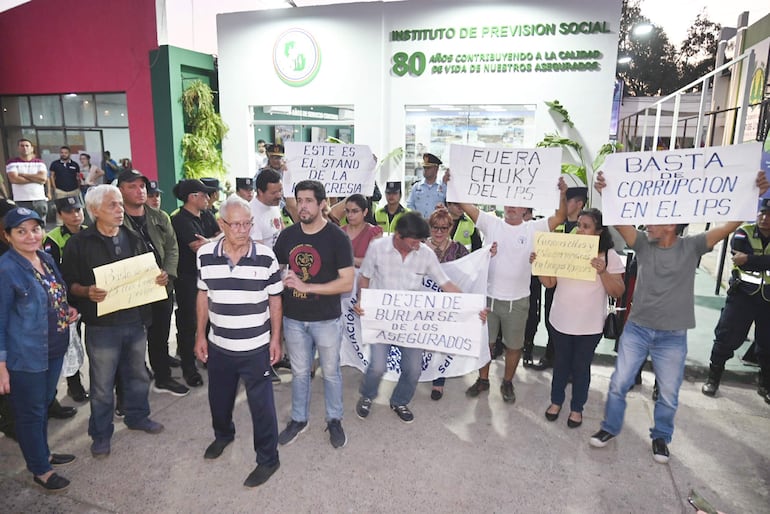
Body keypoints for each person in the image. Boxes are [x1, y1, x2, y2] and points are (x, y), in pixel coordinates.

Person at [588, 170, 769, 464]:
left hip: (672, 335)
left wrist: (754, 195)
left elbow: (728, 226)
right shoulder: (643, 244)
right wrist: (605, 190)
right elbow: (619, 220)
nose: (647, 223)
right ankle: (609, 428)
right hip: (637, 329)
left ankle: (660, 438)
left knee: (669, 393)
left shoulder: (692, 246)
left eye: (655, 220)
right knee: (619, 383)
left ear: (671, 225)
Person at [62, 184, 167, 458]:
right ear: (95, 210)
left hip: (135, 321)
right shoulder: (79, 244)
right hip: (102, 326)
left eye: (120, 204)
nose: (120, 210)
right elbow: (68, 283)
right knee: (101, 385)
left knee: (137, 375)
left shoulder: (133, 238)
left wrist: (159, 277)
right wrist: (85, 291)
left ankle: (138, 416)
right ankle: (100, 434)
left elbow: (150, 268)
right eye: (113, 205)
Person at [194, 195, 283, 487]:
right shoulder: (205, 255)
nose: (243, 230)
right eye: (236, 224)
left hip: (255, 346)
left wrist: (275, 339)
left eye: (248, 223)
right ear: (222, 224)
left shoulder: (266, 256)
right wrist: (200, 336)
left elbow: (275, 300)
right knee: (219, 400)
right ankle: (224, 435)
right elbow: (202, 295)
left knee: (262, 407)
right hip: (219, 344)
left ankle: (268, 459)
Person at [460, 176, 567, 403]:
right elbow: (466, 206)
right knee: (486, 343)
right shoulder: (491, 223)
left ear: (525, 208)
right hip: (489, 298)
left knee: (514, 346)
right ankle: (483, 379)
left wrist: (562, 193)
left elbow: (560, 217)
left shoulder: (533, 228)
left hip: (517, 301)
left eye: (517, 203)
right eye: (508, 202)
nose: (511, 207)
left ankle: (507, 382)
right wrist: (455, 180)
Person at [354, 211, 464, 423]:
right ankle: (367, 396)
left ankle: (400, 400)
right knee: (377, 366)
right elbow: (365, 277)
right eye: (414, 241)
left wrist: (471, 305)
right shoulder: (377, 248)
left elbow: (446, 283)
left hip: (411, 323)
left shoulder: (425, 254)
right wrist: (361, 300)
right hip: (381, 318)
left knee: (413, 369)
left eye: (421, 241)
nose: (418, 246)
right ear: (398, 236)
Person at [0, 207, 79, 491]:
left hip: (54, 347)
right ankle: (40, 469)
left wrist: (66, 308)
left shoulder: (44, 257)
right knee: (30, 412)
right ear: (7, 236)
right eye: (21, 231)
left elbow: (54, 292)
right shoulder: (6, 269)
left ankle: (42, 453)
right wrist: (2, 367)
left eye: (35, 229)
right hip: (26, 355)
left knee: (43, 404)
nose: (30, 236)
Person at [273, 180, 355, 448]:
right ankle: (298, 419)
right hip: (293, 318)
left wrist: (308, 286)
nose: (302, 206)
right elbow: (274, 269)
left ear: (322, 204)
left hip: (327, 320)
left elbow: (347, 283)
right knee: (299, 372)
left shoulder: (337, 237)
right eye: (299, 200)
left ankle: (334, 419)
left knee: (330, 373)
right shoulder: (287, 236)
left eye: (309, 200)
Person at [535, 208, 625, 428]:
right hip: (560, 320)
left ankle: (577, 408)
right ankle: (556, 402)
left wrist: (603, 271)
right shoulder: (565, 247)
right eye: (579, 225)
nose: (580, 230)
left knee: (581, 367)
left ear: (599, 231)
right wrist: (539, 265)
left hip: (590, 325)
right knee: (561, 363)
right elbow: (550, 283)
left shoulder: (609, 256)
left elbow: (618, 292)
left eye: (586, 226)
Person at [118, 170, 188, 397]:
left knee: (160, 335)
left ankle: (163, 377)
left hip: (160, 287)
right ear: (120, 190)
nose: (140, 191)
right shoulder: (115, 220)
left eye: (142, 186)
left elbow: (172, 248)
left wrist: (168, 273)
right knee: (131, 341)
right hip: (131, 292)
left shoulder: (160, 217)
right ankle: (129, 389)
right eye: (132, 186)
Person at [702, 198, 770, 403]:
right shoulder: (744, 232)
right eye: (762, 214)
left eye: (769, 215)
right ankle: (713, 379)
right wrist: (753, 262)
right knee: (726, 337)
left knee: (767, 345)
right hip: (742, 296)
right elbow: (738, 257)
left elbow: (746, 260)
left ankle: (765, 385)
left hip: (768, 300)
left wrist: (750, 259)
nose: (765, 219)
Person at [532, 186, 588, 371]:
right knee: (551, 320)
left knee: (572, 324)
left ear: (579, 204)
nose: (561, 204)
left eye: (566, 201)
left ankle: (570, 365)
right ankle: (551, 355)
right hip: (553, 283)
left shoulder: (587, 230)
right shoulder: (557, 226)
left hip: (575, 287)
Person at [171, 179, 220, 388]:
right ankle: (189, 369)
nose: (209, 199)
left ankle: (206, 356)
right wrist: (214, 241)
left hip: (208, 276)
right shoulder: (180, 220)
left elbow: (221, 235)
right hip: (188, 279)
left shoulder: (207, 214)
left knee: (209, 319)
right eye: (205, 195)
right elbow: (196, 247)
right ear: (193, 197)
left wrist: (209, 241)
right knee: (189, 323)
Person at [43, 196, 89, 404]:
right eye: (69, 212)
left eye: (78, 210)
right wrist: (63, 302)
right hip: (68, 300)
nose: (75, 215)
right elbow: (53, 273)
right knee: (72, 342)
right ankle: (74, 385)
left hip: (91, 294)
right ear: (60, 215)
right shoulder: (52, 239)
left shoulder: (91, 231)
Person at [425, 208, 469, 400]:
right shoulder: (419, 248)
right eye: (435, 227)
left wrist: (487, 255)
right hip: (424, 304)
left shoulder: (459, 249)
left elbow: (471, 271)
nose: (439, 232)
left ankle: (438, 380)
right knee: (423, 341)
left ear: (451, 227)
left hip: (448, 305)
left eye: (444, 227)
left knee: (442, 342)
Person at [5, 139, 49, 219]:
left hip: (39, 200)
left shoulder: (39, 163)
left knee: (41, 225)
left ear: (31, 148)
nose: (24, 148)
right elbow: (14, 179)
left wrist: (23, 175)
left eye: (27, 146)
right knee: (23, 224)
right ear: (18, 148)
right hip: (21, 201)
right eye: (22, 146)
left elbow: (43, 179)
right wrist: (35, 179)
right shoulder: (12, 162)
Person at [339, 193, 382, 268]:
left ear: (365, 212)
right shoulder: (339, 232)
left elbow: (373, 262)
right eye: (347, 211)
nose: (350, 215)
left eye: (355, 211)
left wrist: (348, 259)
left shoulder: (374, 232)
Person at [250, 169, 284, 248]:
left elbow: (282, 230)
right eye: (274, 193)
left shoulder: (274, 204)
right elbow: (259, 250)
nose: (279, 195)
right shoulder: (251, 214)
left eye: (280, 190)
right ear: (260, 192)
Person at [407, 153, 447, 218]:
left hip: (436, 226)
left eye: (428, 168)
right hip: (419, 224)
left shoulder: (443, 187)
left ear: (436, 169)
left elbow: (449, 207)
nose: (425, 170)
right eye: (424, 168)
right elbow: (409, 205)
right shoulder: (416, 187)